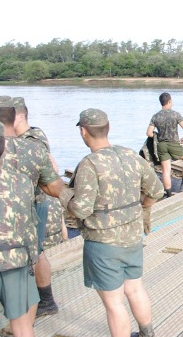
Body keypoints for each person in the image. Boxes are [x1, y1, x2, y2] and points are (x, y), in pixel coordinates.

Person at [57, 109, 164, 337]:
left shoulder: (90, 164)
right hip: (133, 236)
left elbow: (82, 209)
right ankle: (147, 334)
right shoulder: (131, 155)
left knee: (114, 302)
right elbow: (157, 190)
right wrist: (143, 208)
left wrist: (63, 194)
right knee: (135, 288)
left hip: (102, 243)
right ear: (108, 128)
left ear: (83, 132)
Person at [0, 98, 64, 335]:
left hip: (22, 216)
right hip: (30, 215)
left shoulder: (29, 141)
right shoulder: (34, 146)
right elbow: (54, 183)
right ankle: (32, 316)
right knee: (31, 261)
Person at [0, 122, 39, 337]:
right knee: (22, 323)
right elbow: (29, 223)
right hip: (15, 258)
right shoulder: (22, 182)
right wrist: (31, 258)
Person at [146, 92, 183, 198]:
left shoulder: (156, 116)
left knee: (166, 170)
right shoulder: (175, 114)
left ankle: (168, 194)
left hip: (161, 145)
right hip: (173, 143)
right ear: (169, 101)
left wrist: (157, 136)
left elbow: (149, 133)